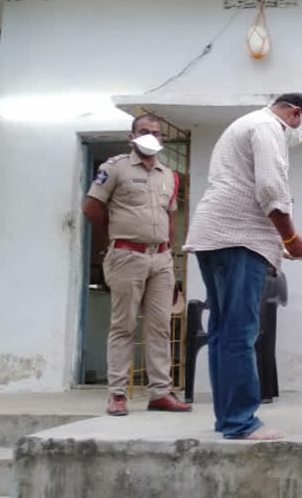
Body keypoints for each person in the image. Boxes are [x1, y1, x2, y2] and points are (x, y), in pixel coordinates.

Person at [183, 93, 302, 440]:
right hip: (237, 239)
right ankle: (241, 421)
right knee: (240, 332)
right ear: (295, 113)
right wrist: (291, 239)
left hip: (217, 236)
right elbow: (271, 188)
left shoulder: (245, 125)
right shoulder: (268, 126)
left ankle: (228, 418)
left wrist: (277, 243)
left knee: (223, 331)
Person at [83, 114, 192, 416]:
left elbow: (169, 216)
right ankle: (117, 394)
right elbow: (92, 207)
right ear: (132, 137)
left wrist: (168, 251)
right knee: (124, 325)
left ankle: (160, 392)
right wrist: (112, 241)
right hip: (126, 254)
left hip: (161, 258)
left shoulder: (169, 175)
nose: (151, 136)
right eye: (144, 131)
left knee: (160, 326)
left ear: (162, 139)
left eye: (156, 132)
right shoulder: (114, 167)